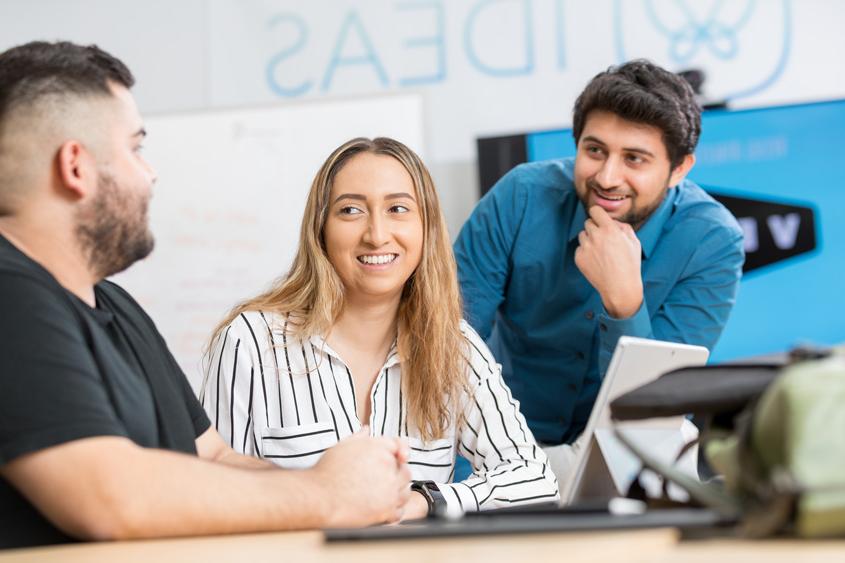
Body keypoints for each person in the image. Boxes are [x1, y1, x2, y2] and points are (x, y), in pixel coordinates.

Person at [0, 41, 411, 550]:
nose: (149, 173)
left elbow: (213, 457)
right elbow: (109, 497)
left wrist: (350, 483)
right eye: (135, 148)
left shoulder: (116, 306)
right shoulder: (10, 298)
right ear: (76, 167)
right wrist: (328, 496)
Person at [201, 137, 559, 519]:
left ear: (426, 228)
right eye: (351, 210)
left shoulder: (453, 346)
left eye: (398, 209)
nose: (376, 234)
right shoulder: (250, 342)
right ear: (320, 229)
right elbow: (213, 494)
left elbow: (534, 479)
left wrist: (425, 501)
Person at [453, 60, 744, 483]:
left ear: (679, 169)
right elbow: (448, 344)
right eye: (595, 151)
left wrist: (624, 302)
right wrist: (457, 481)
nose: (607, 177)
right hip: (501, 441)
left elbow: (658, 407)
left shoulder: (713, 241)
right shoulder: (519, 197)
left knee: (676, 441)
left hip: (622, 449)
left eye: (634, 159)